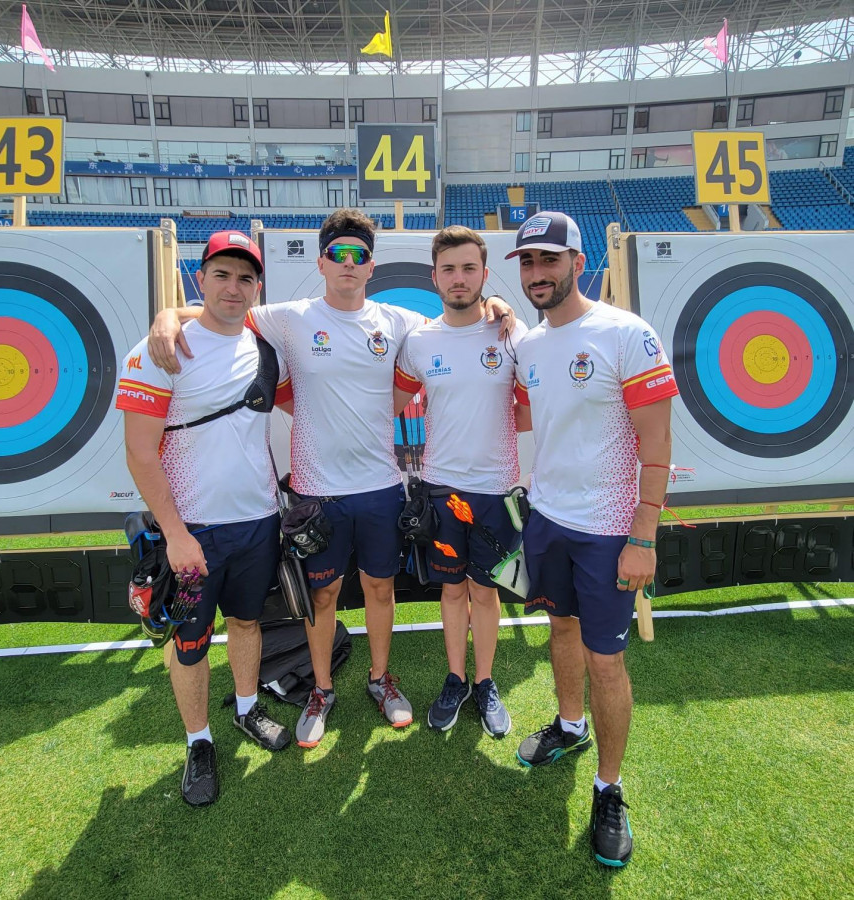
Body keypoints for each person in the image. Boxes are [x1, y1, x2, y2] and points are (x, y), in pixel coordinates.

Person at [147, 209, 516, 750]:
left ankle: (380, 678)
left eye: (359, 255)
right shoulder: (288, 317)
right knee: (323, 598)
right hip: (317, 491)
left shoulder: (399, 323)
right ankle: (321, 689)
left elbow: (457, 323)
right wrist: (167, 316)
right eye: (337, 254)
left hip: (380, 486)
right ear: (321, 262)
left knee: (380, 588)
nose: (348, 263)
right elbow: (220, 310)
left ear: (371, 266)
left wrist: (496, 304)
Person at [509, 211, 679, 866]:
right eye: (526, 262)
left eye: (548, 260)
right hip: (547, 519)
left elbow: (658, 441)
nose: (537, 274)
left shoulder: (625, 334)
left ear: (578, 263)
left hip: (610, 531)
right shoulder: (527, 344)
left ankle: (609, 788)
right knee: (559, 632)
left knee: (606, 659)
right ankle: (570, 726)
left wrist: (644, 532)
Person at [116, 231, 292, 807]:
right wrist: (175, 536)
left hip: (258, 522)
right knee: (190, 642)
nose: (233, 288)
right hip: (192, 532)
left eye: (246, 278)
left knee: (245, 623)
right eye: (222, 274)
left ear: (258, 287)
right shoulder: (160, 351)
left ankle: (245, 709)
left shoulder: (265, 345)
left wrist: (171, 311)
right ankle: (198, 742)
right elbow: (140, 453)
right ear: (200, 278)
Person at [393, 225, 528, 738]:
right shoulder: (419, 341)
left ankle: (486, 681)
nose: (459, 278)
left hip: (497, 490)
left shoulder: (511, 334)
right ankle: (455, 679)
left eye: (469, 268)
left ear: (485, 275)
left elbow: (534, 409)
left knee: (486, 591)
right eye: (448, 268)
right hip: (441, 489)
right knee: (451, 591)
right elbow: (389, 405)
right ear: (434, 277)